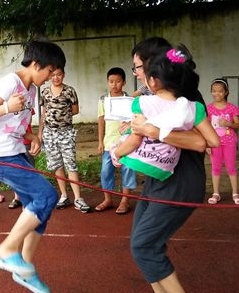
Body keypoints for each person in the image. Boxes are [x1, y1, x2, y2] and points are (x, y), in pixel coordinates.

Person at [121, 37, 217, 293]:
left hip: (180, 184)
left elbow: (201, 142)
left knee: (144, 246)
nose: (135, 73)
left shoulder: (186, 98)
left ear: (153, 67)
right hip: (158, 180)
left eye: (137, 67)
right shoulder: (152, 99)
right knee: (141, 242)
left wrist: (153, 131)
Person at [0, 40, 65, 293]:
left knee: (40, 210)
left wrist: (32, 136)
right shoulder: (9, 83)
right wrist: (6, 106)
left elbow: (18, 124)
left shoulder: (32, 89)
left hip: (15, 152)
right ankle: (7, 249)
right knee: (47, 196)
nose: (50, 78)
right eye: (49, 71)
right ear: (36, 64)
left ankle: (23, 267)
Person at [112, 48, 219, 182]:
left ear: (152, 81)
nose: (137, 74)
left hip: (149, 166)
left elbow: (135, 139)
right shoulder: (194, 107)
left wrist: (117, 153)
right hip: (172, 170)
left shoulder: (141, 103)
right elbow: (214, 141)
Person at [38, 67, 90, 213]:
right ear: (50, 76)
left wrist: (62, 114)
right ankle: (64, 195)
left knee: (70, 163)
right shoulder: (45, 92)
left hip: (66, 132)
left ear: (63, 75)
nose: (56, 78)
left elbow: (75, 110)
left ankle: (78, 198)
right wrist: (40, 134)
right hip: (49, 133)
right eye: (53, 75)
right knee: (57, 165)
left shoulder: (69, 91)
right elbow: (43, 114)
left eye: (59, 74)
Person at [95, 67, 136, 214]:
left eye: (118, 81)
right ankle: (108, 199)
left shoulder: (129, 100)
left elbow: (135, 119)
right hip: (108, 143)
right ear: (107, 82)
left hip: (127, 142)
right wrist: (100, 142)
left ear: (123, 82)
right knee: (106, 171)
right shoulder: (103, 100)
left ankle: (125, 200)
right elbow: (101, 122)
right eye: (111, 81)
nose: (114, 84)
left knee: (128, 169)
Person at [206, 78, 239, 205]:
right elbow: (206, 127)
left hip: (229, 142)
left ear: (226, 92)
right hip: (214, 143)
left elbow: (238, 125)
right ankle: (216, 193)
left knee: (231, 167)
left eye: (220, 91)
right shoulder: (208, 108)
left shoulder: (232, 108)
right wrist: (207, 144)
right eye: (214, 91)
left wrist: (229, 124)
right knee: (215, 167)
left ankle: (235, 193)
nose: (216, 94)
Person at [9, 108, 36, 209]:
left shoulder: (27, 103)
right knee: (15, 170)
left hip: (26, 141)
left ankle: (30, 197)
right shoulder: (9, 104)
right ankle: (17, 197)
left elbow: (29, 120)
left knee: (30, 170)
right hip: (13, 141)